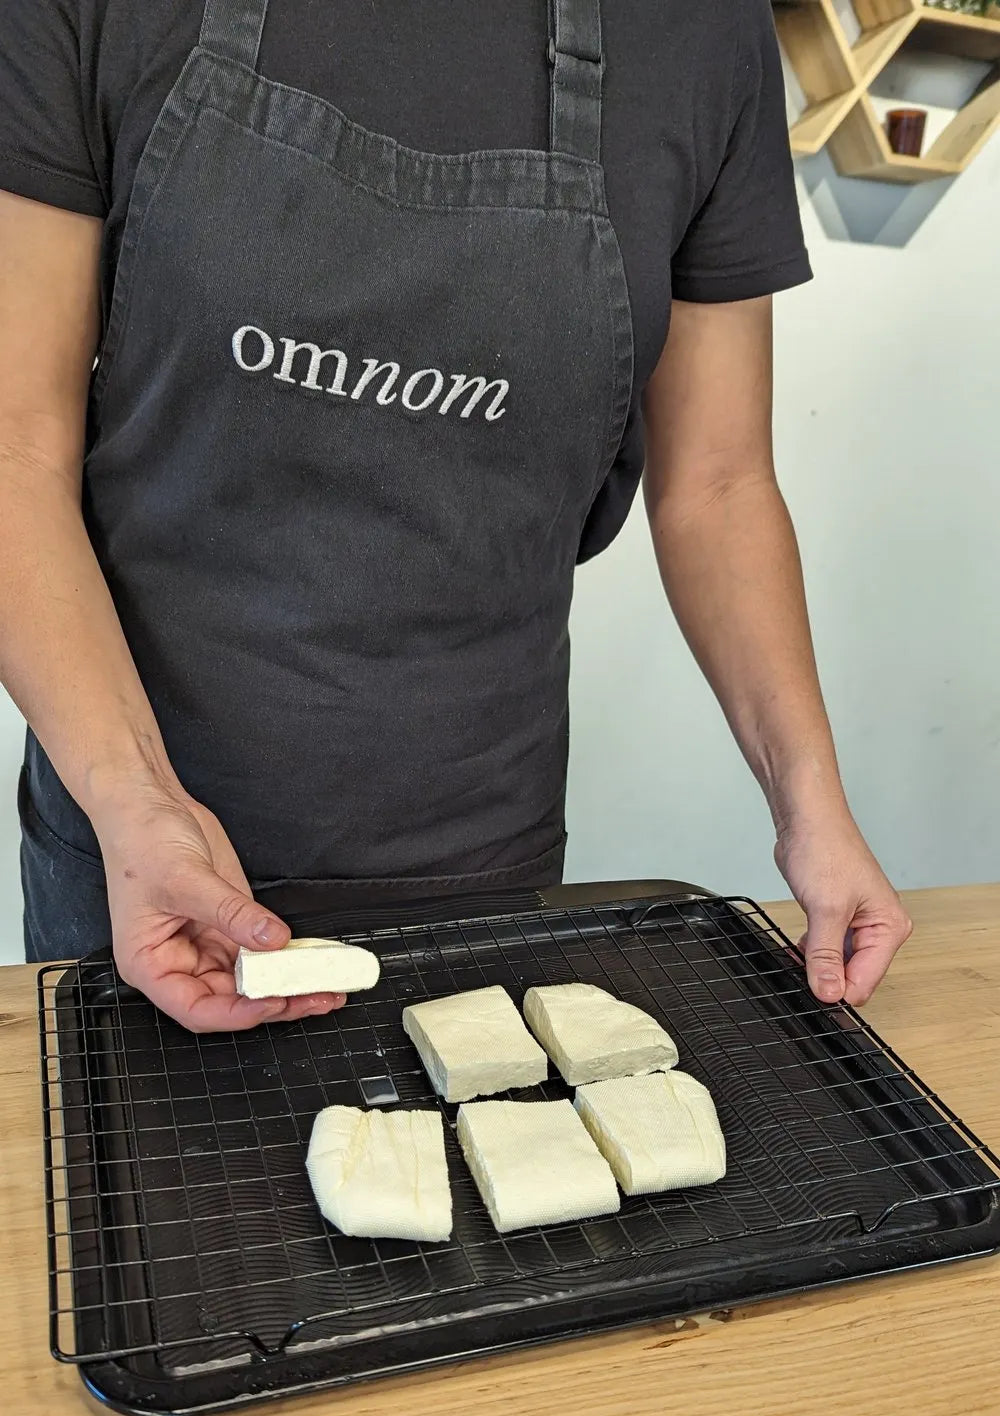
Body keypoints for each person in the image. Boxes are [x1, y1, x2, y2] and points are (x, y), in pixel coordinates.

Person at [0, 0, 912, 1034]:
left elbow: (718, 485)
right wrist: (137, 805)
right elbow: (13, 448)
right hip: (133, 850)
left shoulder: (703, 34)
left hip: (485, 860)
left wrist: (810, 806)